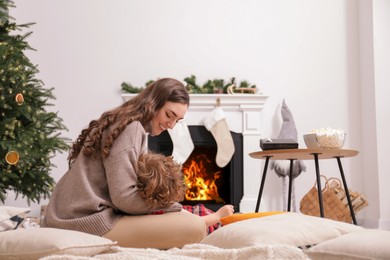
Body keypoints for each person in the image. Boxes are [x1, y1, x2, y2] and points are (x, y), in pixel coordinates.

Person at [42, 78, 208, 249]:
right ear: (154, 103)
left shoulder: (126, 122)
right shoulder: (131, 128)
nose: (171, 125)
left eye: (177, 120)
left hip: (71, 216)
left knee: (189, 221)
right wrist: (170, 206)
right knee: (195, 227)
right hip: (83, 221)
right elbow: (125, 199)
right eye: (169, 115)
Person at [136, 151, 234, 229]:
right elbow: (196, 223)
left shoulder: (145, 209)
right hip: (210, 223)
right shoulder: (168, 213)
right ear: (169, 190)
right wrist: (218, 215)